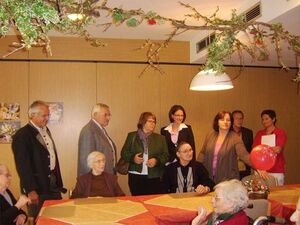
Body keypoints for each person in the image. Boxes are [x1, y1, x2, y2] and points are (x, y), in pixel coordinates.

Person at [12, 100, 64, 218]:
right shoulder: (22, 135)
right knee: (39, 218)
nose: (47, 118)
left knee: (56, 217)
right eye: (44, 115)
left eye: (48, 115)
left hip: (53, 183)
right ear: (32, 115)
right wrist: (30, 190)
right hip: (37, 187)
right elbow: (22, 166)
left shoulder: (46, 131)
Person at [197, 111, 253, 184]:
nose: (225, 122)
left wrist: (258, 167)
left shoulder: (235, 137)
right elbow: (203, 153)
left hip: (227, 179)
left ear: (231, 123)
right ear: (217, 122)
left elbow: (244, 155)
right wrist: (196, 168)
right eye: (222, 120)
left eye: (228, 120)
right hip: (209, 177)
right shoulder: (210, 134)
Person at [121, 112, 169, 196]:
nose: (153, 124)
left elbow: (166, 155)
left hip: (155, 176)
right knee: (138, 203)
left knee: (153, 203)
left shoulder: (160, 138)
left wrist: (156, 160)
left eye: (154, 122)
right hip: (136, 176)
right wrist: (133, 158)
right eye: (150, 121)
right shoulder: (132, 136)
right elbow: (124, 153)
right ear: (143, 122)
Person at [78, 103, 117, 176]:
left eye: (109, 115)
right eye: (105, 115)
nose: (109, 118)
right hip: (98, 179)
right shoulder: (88, 130)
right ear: (95, 115)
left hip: (106, 175)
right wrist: (91, 182)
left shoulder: (100, 129)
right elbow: (86, 161)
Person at [252, 109, 287, 185]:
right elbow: (254, 151)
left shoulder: (280, 132)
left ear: (273, 119)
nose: (264, 121)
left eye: (267, 119)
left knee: (277, 194)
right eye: (263, 119)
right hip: (261, 170)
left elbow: (278, 149)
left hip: (276, 170)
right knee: (260, 194)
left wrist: (263, 150)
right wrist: (270, 149)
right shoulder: (260, 133)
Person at [232, 110, 253, 179]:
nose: (239, 121)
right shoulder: (228, 132)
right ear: (232, 120)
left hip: (245, 167)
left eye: (241, 118)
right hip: (231, 168)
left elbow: (250, 149)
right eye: (236, 118)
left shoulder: (248, 132)